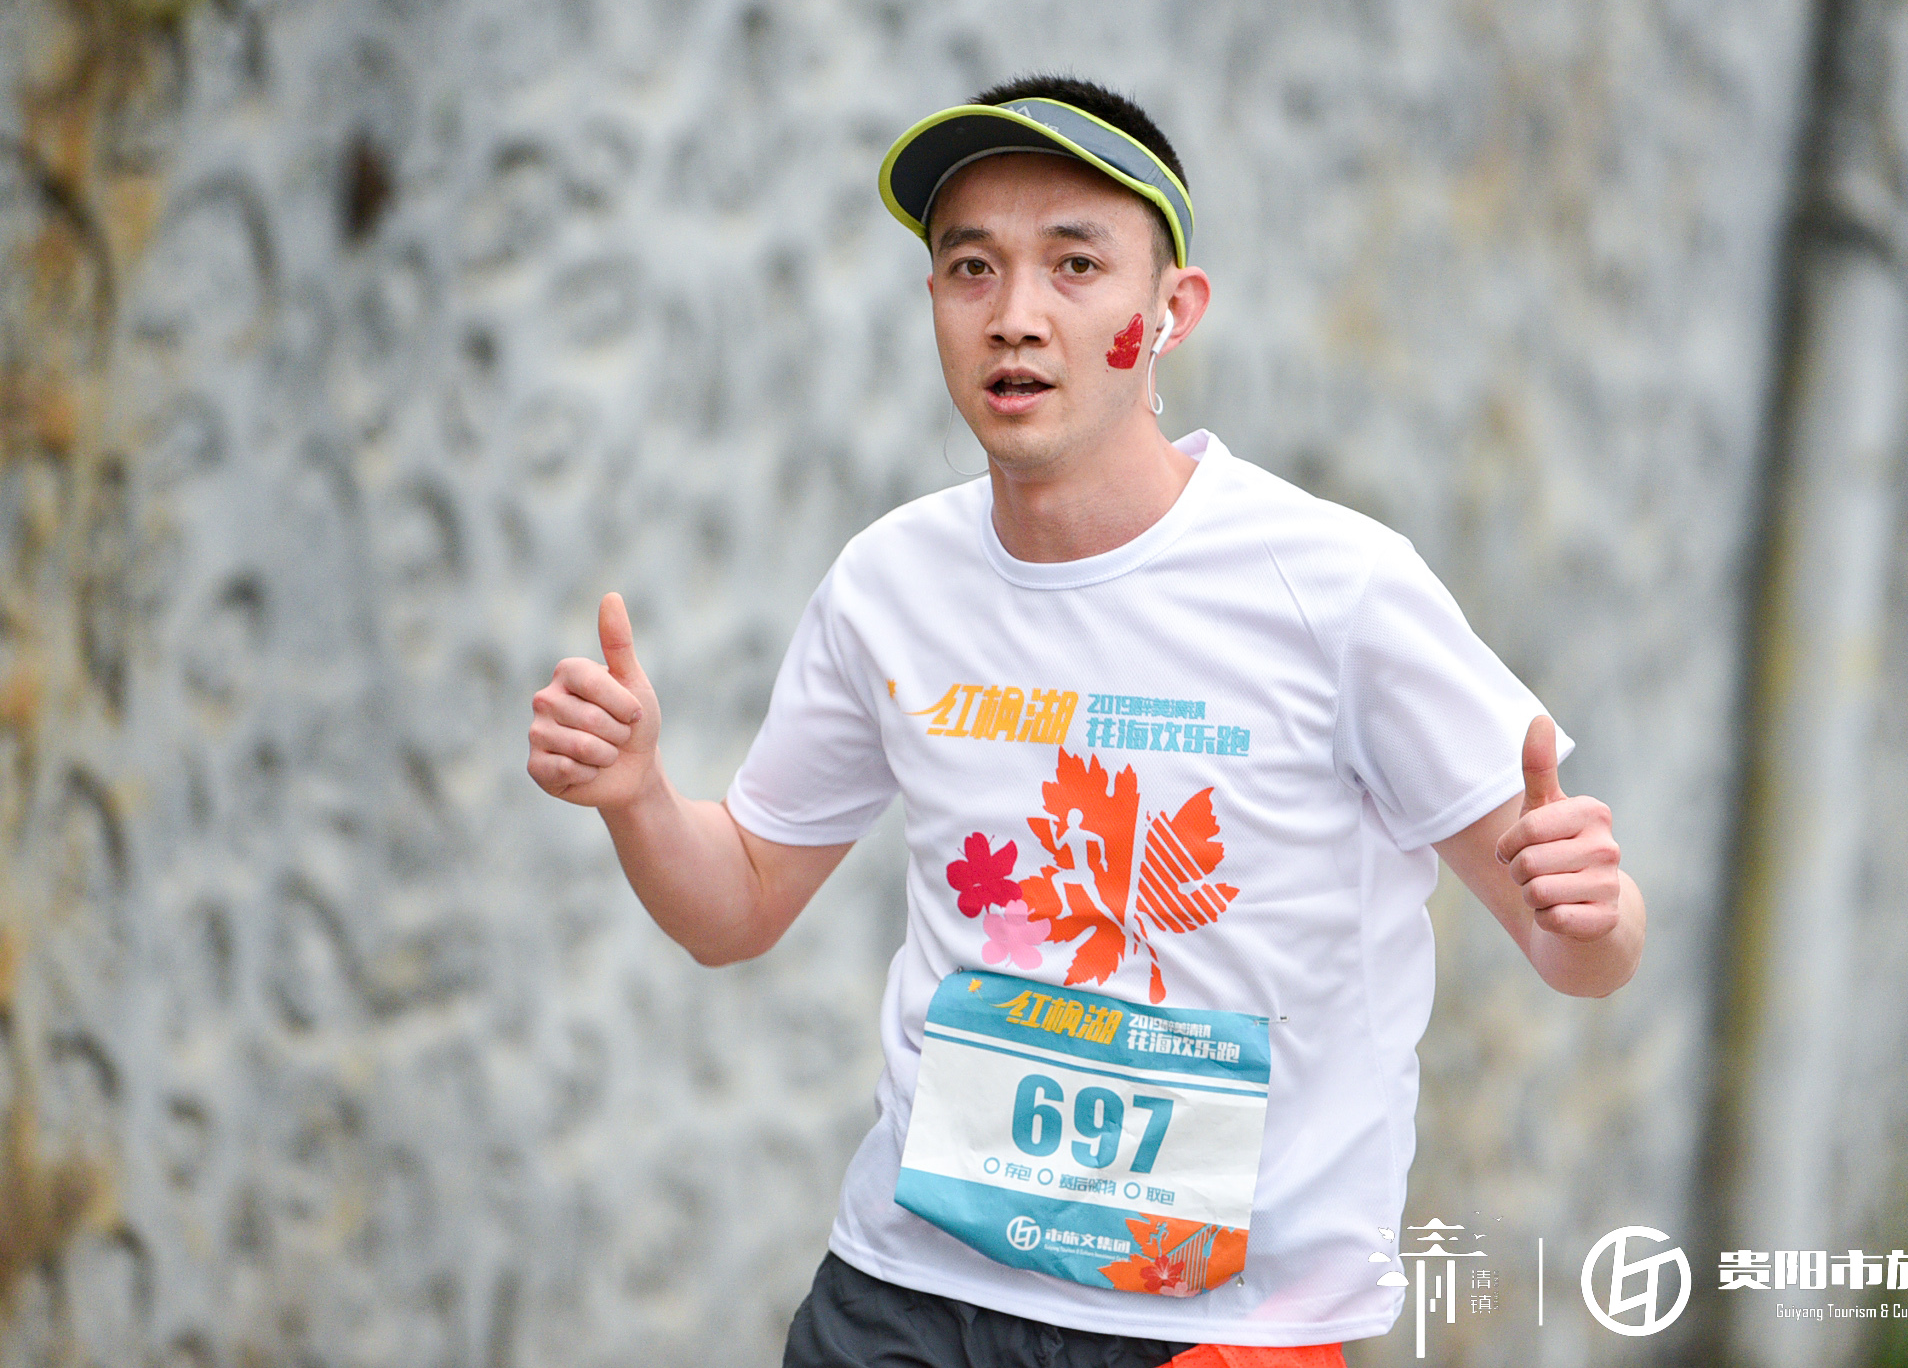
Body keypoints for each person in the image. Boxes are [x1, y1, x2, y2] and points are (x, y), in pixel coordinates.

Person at [527, 76, 1646, 1367]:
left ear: (1172, 310)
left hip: (1220, 1333)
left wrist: (1591, 913)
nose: (1016, 315)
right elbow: (738, 904)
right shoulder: (891, 585)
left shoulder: (1338, 590)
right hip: (903, 1300)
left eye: (1075, 265)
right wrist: (638, 797)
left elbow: (1584, 953)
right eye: (972, 269)